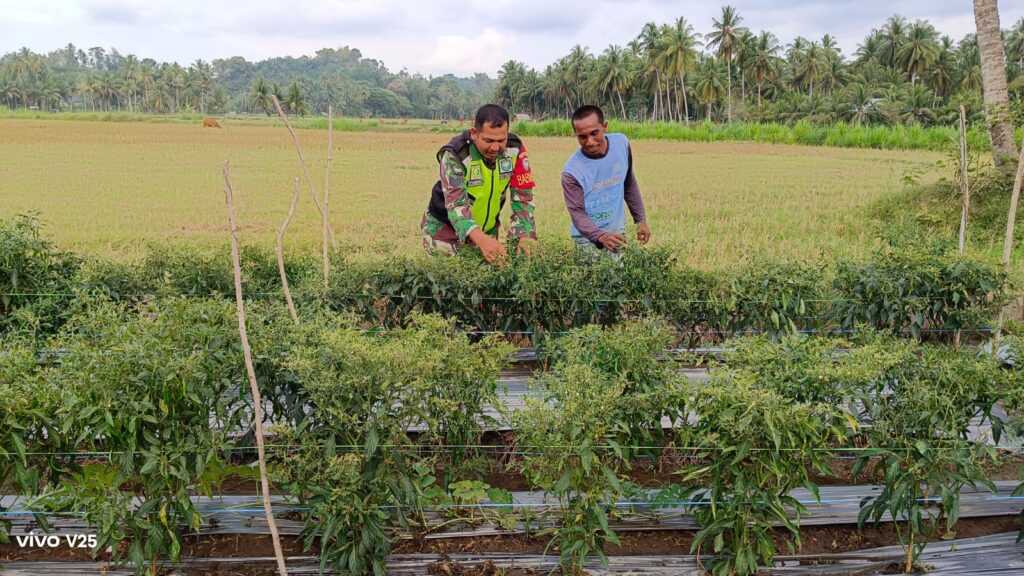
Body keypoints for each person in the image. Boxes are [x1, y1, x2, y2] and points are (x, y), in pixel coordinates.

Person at [421, 104, 537, 264]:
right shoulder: (456, 154)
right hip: (445, 230)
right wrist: (481, 240)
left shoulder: (514, 149)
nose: (495, 147)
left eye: (501, 140)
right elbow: (456, 207)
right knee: (447, 283)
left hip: (486, 229)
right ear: (474, 133)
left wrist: (525, 233)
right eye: (488, 140)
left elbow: (523, 195)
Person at [561, 105, 651, 254]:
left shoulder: (621, 144)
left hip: (616, 233)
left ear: (605, 127)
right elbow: (577, 213)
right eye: (582, 137)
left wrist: (640, 220)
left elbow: (628, 182)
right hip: (586, 240)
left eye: (594, 133)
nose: (589, 142)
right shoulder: (572, 171)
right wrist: (601, 236)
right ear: (576, 134)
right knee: (592, 277)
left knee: (618, 277)